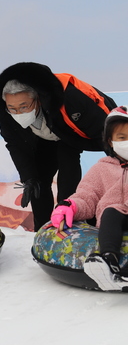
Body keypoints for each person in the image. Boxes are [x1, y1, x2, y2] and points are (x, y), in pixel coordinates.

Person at [0, 62, 115, 230]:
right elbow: (16, 146)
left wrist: (120, 163)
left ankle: (69, 223)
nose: (18, 113)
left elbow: (110, 132)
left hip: (73, 133)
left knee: (67, 167)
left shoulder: (72, 99)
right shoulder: (5, 116)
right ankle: (41, 230)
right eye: (12, 108)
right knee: (38, 181)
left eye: (24, 106)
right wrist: (28, 177)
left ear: (38, 99)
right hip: (46, 138)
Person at [50, 106, 128, 292]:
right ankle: (109, 261)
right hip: (116, 219)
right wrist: (71, 206)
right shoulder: (101, 169)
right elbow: (87, 194)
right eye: (122, 138)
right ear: (110, 141)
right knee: (111, 211)